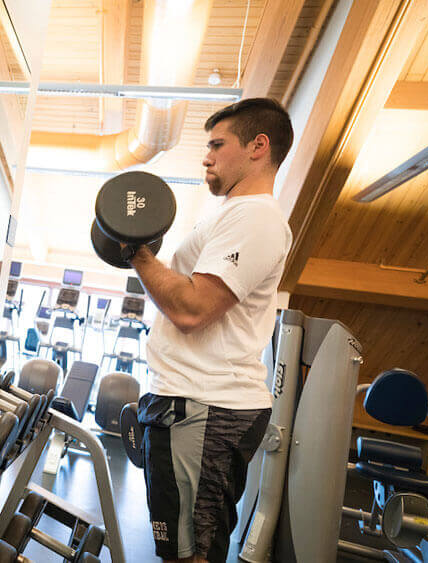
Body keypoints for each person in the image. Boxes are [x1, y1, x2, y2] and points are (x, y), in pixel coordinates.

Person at [128, 98, 294, 563]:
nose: (206, 156)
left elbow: (192, 309)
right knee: (179, 548)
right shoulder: (228, 215)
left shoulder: (255, 217)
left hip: (205, 407)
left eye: (217, 145)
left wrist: (137, 254)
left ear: (258, 146)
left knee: (191, 554)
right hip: (189, 402)